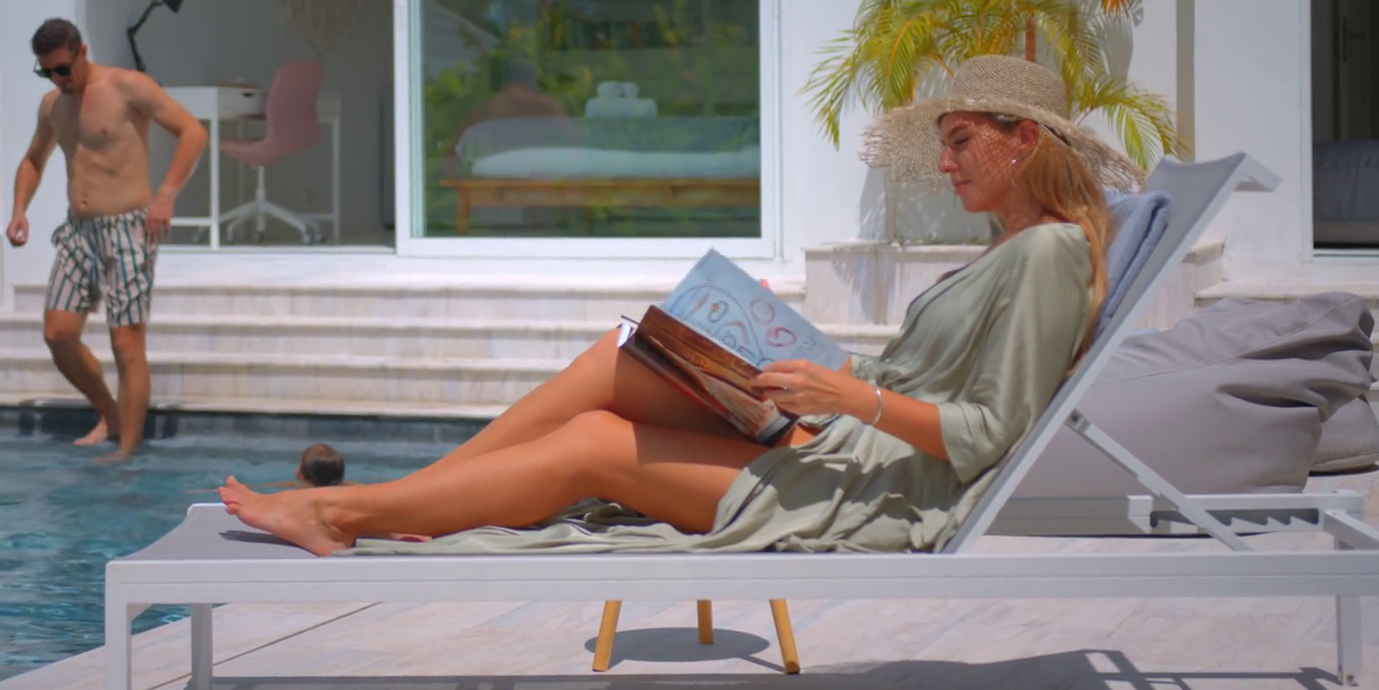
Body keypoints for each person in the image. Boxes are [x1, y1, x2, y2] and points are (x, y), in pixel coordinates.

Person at [221, 55, 1137, 555]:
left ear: (1025, 141)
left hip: (876, 491)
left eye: (962, 141)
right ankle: (410, 501)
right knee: (621, 354)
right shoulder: (1011, 249)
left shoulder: (1050, 252)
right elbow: (907, 378)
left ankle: (346, 514)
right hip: (837, 440)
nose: (944, 162)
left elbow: (989, 434)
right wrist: (777, 344)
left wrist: (848, 395)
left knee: (593, 444)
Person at [7, 18, 208, 462]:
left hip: (129, 229)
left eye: (63, 69)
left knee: (126, 342)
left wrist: (166, 195)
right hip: (78, 231)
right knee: (58, 334)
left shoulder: (127, 87)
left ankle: (127, 451)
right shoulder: (52, 105)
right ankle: (109, 412)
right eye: (46, 72)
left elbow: (193, 132)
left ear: (82, 52)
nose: (58, 79)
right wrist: (19, 209)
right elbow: (33, 160)